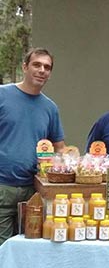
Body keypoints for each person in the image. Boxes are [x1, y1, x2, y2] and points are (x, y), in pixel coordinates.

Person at [0, 47, 65, 245]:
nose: (42, 70)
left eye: (47, 67)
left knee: (29, 245)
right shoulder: (3, 95)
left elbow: (60, 148)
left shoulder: (50, 108)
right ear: (25, 67)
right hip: (2, 186)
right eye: (37, 65)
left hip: (33, 191)